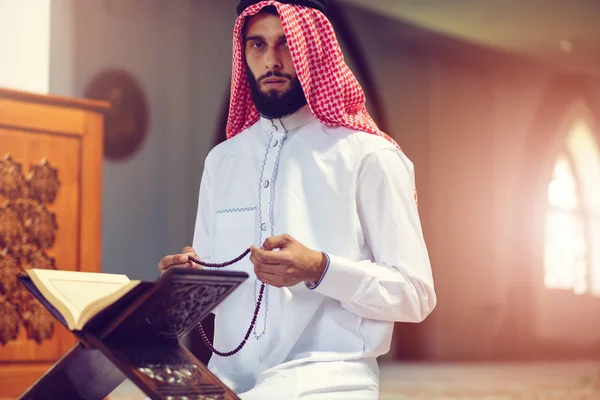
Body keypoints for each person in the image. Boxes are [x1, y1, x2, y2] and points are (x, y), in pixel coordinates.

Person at [158, 0, 436, 398]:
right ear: (244, 54)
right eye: (258, 45)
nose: (271, 59)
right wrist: (188, 281)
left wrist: (320, 269)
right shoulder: (223, 161)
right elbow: (215, 296)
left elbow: (415, 295)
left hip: (328, 381)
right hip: (229, 382)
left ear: (314, 49)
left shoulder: (368, 156)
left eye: (286, 43)